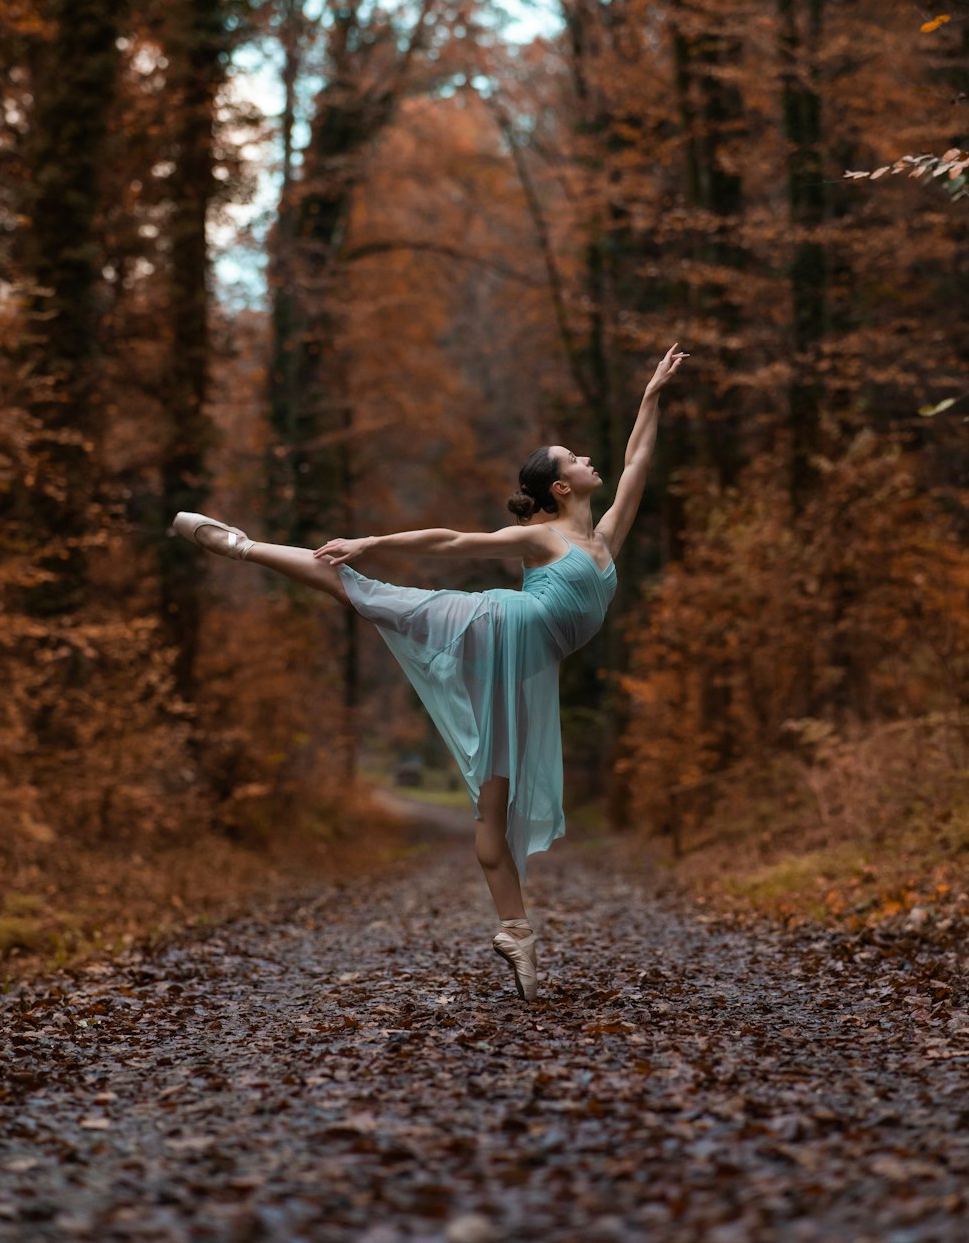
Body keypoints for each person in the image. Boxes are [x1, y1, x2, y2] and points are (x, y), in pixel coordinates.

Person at [173, 343, 688, 1000]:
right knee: (358, 587)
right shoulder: (544, 539)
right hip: (493, 626)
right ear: (560, 488)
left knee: (492, 807)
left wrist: (651, 394)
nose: (590, 461)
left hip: (524, 668)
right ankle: (238, 544)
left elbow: (639, 459)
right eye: (575, 460)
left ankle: (516, 933)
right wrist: (371, 540)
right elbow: (451, 541)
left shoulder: (606, 537)